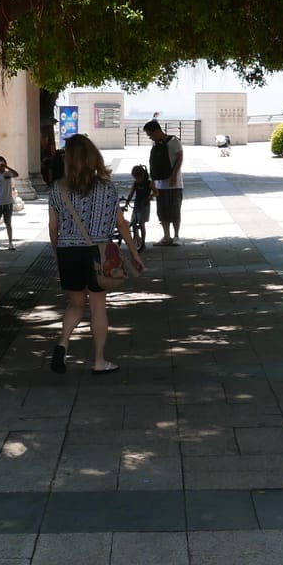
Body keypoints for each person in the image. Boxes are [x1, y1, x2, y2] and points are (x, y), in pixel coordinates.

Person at [48, 134, 143, 375]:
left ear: (68, 159)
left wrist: (58, 251)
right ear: (92, 156)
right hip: (98, 253)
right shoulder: (107, 188)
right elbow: (121, 224)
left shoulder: (57, 189)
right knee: (98, 306)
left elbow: (53, 226)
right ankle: (99, 361)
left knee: (75, 304)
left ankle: (63, 343)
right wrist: (133, 252)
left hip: (68, 251)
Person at [142, 118, 185, 245]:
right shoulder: (156, 145)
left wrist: (174, 175)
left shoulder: (173, 141)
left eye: (150, 134)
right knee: (162, 212)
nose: (150, 137)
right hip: (160, 184)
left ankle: (176, 236)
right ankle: (167, 236)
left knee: (175, 211)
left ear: (156, 131)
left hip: (174, 185)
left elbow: (180, 157)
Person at [0, 156, 21, 250]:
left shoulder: (7, 174)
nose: (0, 165)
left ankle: (10, 242)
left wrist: (7, 167)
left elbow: (16, 174)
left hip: (8, 203)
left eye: (1, 163)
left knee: (8, 223)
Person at [123, 165, 153, 251]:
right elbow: (131, 193)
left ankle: (143, 242)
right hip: (137, 204)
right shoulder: (135, 183)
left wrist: (150, 196)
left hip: (145, 205)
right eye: (135, 177)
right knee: (134, 222)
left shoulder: (149, 183)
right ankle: (136, 239)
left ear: (142, 176)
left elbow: (156, 192)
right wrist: (127, 203)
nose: (136, 179)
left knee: (141, 223)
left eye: (137, 177)